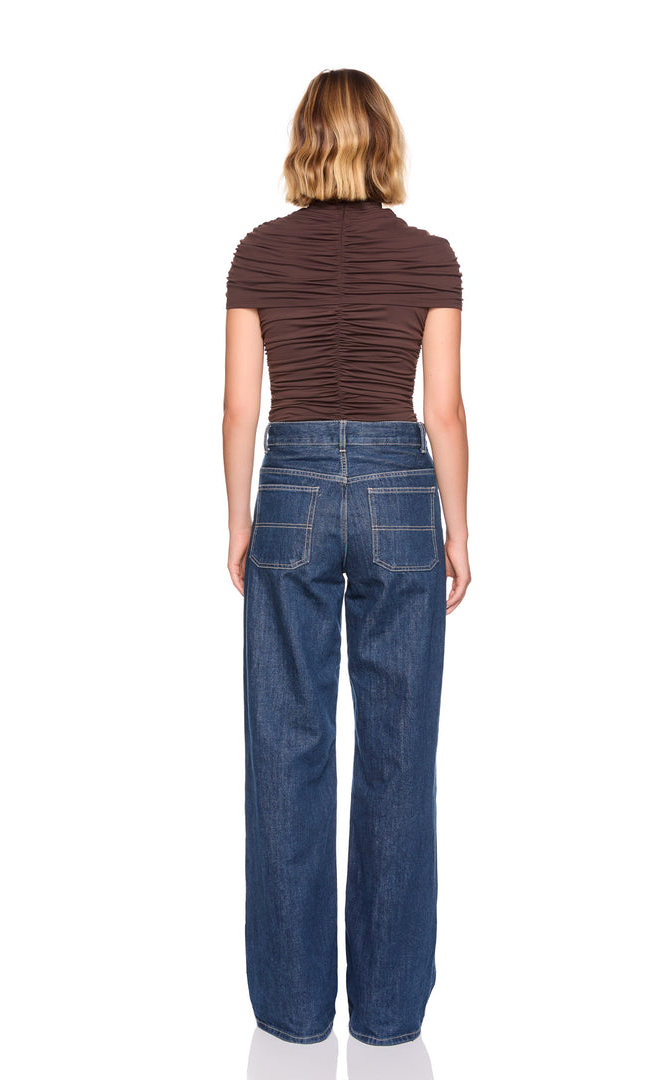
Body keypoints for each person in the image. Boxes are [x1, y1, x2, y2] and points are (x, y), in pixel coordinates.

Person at [222, 68, 470, 1049]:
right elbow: (442, 410)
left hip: (287, 489)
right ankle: (389, 1015)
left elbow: (239, 408)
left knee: (286, 747)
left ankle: (291, 1014)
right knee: (400, 754)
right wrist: (458, 529)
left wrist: (238, 520)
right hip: (400, 492)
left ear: (305, 144)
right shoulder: (431, 259)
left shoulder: (257, 253)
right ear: (384, 143)